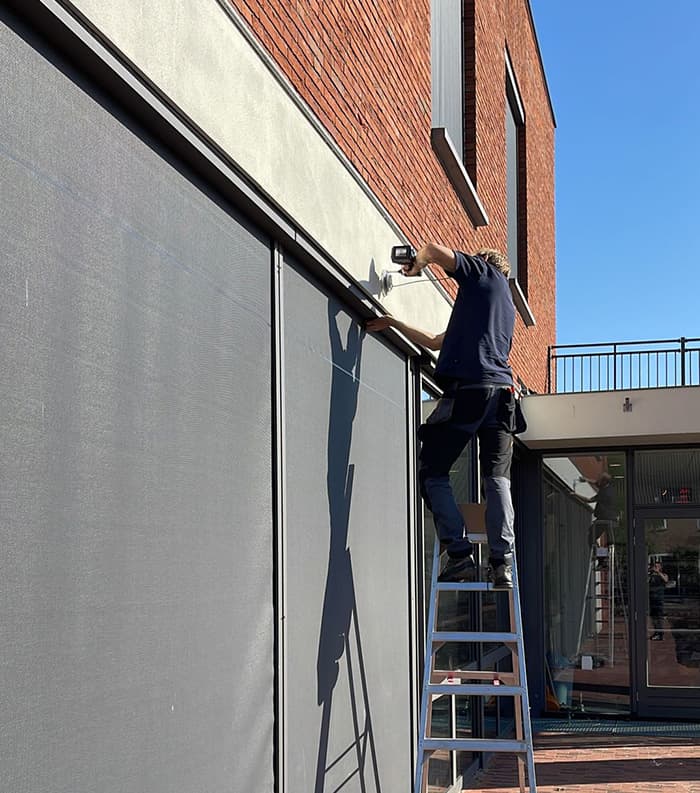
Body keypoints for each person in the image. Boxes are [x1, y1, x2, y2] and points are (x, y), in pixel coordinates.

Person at [366, 243, 518, 588]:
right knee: (497, 479)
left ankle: (461, 555)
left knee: (431, 471)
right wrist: (394, 322)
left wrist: (416, 264)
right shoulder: (500, 309)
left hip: (472, 390)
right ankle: (502, 564)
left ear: (484, 264)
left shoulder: (484, 273)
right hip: (502, 398)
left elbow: (434, 250)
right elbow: (436, 342)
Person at [648, 560, 669, 641]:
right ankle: (656, 632)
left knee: (659, 616)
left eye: (657, 566)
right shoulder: (651, 575)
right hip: (651, 598)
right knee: (653, 617)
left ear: (660, 567)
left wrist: (658, 573)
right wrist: (650, 572)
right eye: (654, 566)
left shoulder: (663, 575)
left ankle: (660, 632)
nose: (655, 568)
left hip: (659, 599)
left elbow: (666, 580)